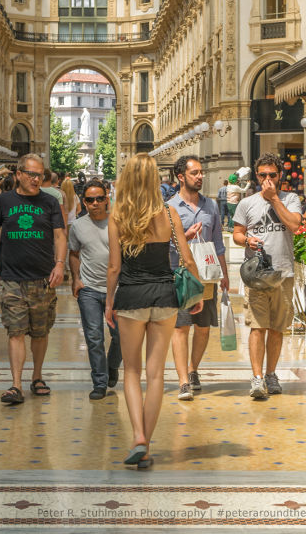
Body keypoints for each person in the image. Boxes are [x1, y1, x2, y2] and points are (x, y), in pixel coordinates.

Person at [105, 153, 203, 469]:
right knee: (157, 373)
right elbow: (187, 260)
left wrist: (109, 302)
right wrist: (197, 292)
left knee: (131, 372)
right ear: (154, 181)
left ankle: (137, 437)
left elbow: (114, 268)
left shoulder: (117, 217)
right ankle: (145, 445)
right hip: (164, 298)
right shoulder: (169, 213)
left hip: (131, 298)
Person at [0, 153, 66, 405]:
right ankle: (16, 384)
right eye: (31, 174)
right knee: (15, 331)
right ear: (18, 174)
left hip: (43, 278)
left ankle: (37, 377)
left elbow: (60, 236)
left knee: (40, 333)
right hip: (11, 278)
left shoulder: (50, 202)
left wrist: (60, 265)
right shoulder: (5, 201)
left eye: (40, 174)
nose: (36, 179)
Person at [232, 153, 304, 399]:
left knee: (277, 328)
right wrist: (247, 239)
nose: (268, 179)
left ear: (280, 176)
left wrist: (274, 200)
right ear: (257, 176)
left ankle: (272, 374)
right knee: (257, 326)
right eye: (263, 175)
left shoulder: (291, 199)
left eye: (272, 175)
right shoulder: (247, 203)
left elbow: (294, 225)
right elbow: (237, 233)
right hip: (256, 275)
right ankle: (257, 378)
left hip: (283, 273)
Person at [167, 156, 229, 400]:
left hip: (206, 274)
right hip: (180, 274)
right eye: (194, 173)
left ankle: (193, 369)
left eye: (201, 172)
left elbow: (218, 243)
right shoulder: (169, 206)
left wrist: (223, 274)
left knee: (203, 328)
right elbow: (164, 243)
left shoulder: (211, 206)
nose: (200, 176)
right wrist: (183, 236)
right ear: (181, 176)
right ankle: (183, 381)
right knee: (181, 327)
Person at [69, 179, 121, 400]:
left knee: (120, 336)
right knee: (94, 337)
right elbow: (73, 252)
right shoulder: (78, 226)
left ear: (107, 199)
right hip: (89, 289)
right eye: (90, 200)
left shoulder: (118, 222)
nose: (96, 203)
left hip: (117, 290)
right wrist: (76, 278)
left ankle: (112, 366)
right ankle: (99, 381)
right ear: (84, 202)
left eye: (100, 198)